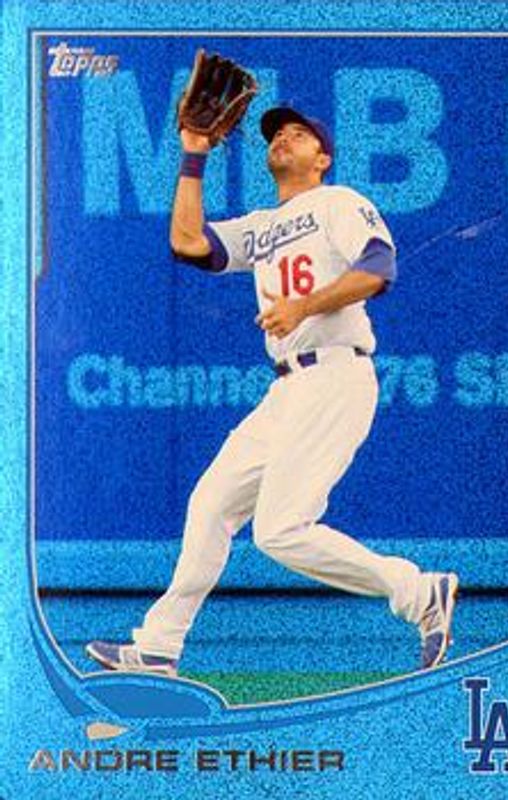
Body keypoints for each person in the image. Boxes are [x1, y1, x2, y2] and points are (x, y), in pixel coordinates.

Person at [86, 106, 458, 678]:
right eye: (276, 134)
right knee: (211, 505)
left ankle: (416, 591)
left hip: (335, 375)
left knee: (280, 531)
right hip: (287, 390)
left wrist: (303, 307)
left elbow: (379, 268)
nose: (283, 137)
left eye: (299, 134)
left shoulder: (338, 202)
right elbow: (188, 241)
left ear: (323, 158)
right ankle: (158, 648)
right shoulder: (262, 225)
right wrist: (194, 152)